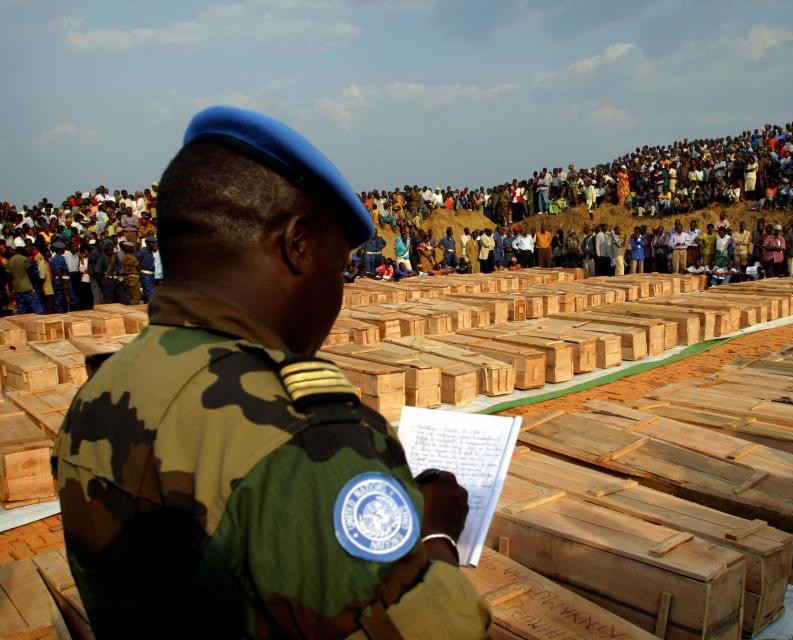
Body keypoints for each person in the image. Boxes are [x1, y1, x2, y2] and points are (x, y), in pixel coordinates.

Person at [52, 106, 490, 638]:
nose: (339, 289)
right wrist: (436, 537)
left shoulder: (103, 390)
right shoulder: (304, 443)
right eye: (339, 265)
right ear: (297, 244)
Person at [8, 246, 45, 314]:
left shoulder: (10, 260)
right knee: (36, 305)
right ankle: (41, 318)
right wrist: (34, 284)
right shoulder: (24, 259)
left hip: (17, 287)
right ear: (22, 252)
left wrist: (11, 288)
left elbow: (9, 276)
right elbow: (30, 273)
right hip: (27, 286)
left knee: (21, 307)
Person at [50, 241, 78, 312]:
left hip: (59, 280)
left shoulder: (54, 259)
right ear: (60, 250)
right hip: (62, 280)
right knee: (70, 298)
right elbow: (58, 270)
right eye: (63, 249)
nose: (64, 251)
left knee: (60, 298)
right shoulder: (60, 258)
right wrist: (64, 283)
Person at [135, 236, 161, 302]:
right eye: (153, 243)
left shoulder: (150, 252)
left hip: (151, 275)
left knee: (149, 293)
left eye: (155, 243)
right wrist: (139, 270)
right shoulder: (143, 252)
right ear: (147, 243)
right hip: (146, 275)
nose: (155, 244)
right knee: (149, 293)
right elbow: (135, 260)